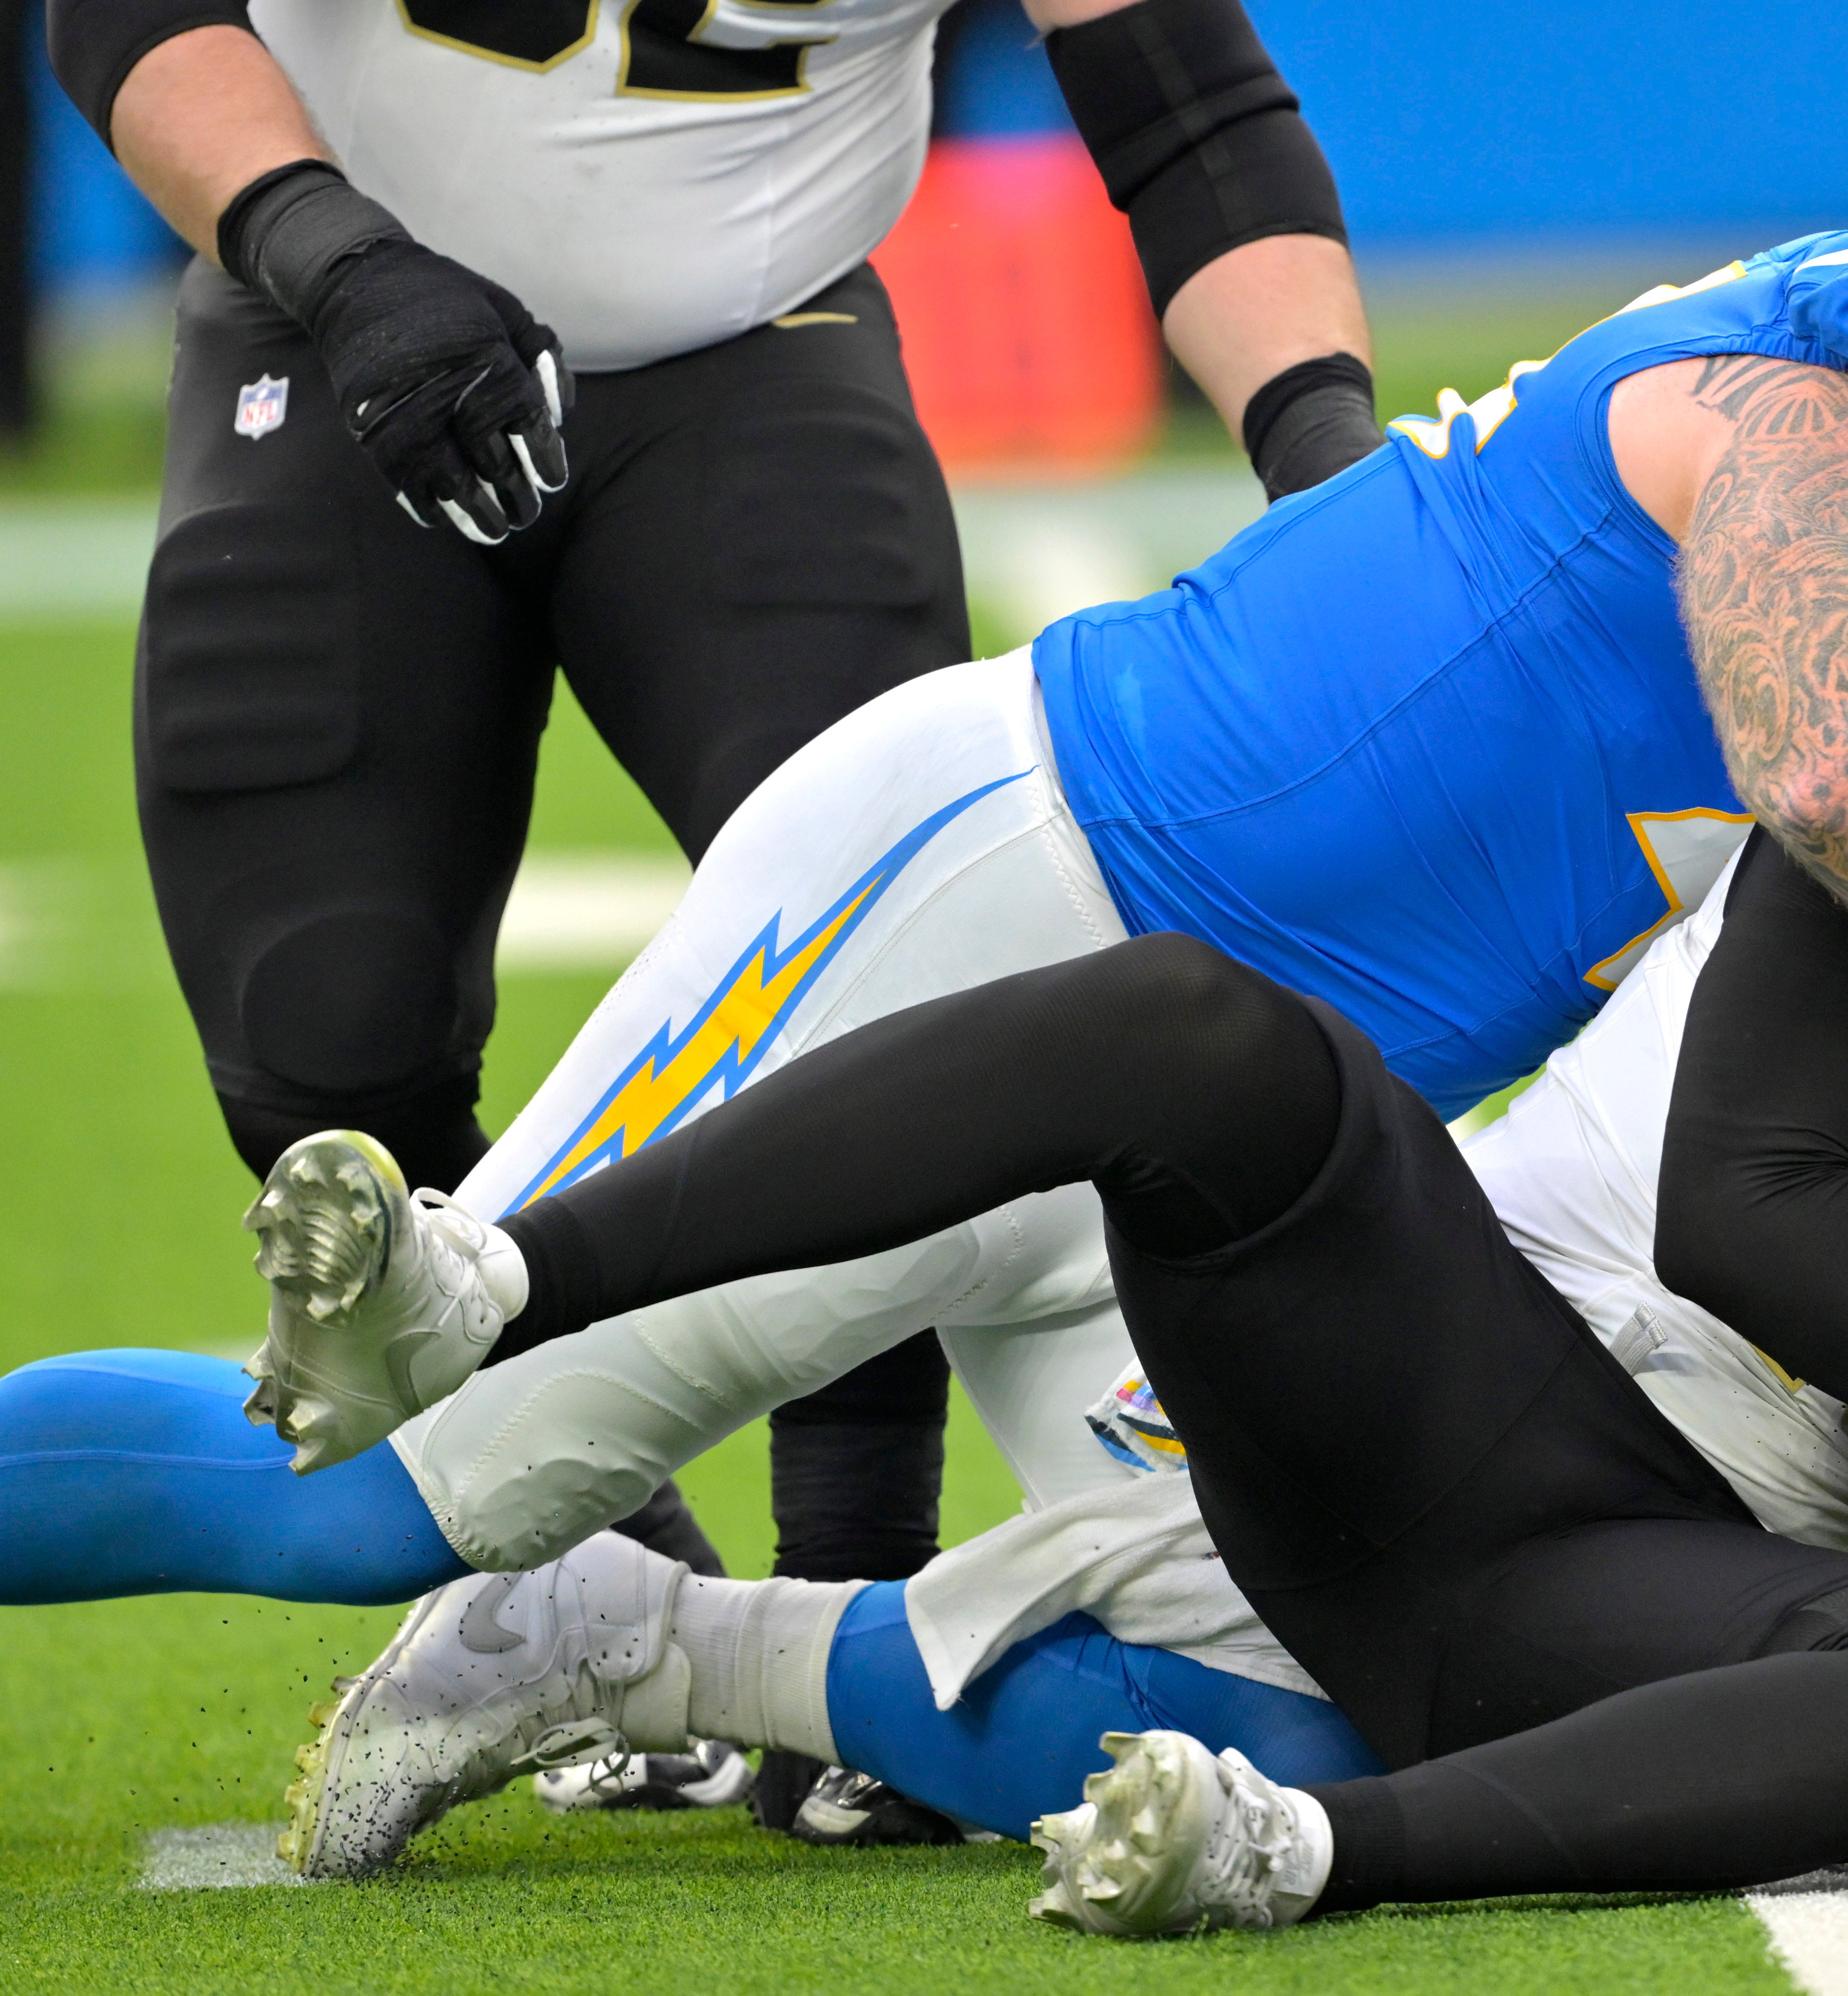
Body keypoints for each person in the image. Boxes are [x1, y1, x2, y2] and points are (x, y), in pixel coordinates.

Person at [0, 426, 1848, 1898]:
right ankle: (498, 1270)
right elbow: (1747, 1202)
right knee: (1199, 1039)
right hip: (1469, 1370)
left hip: (1677, 1599)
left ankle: (1283, 1847)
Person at [44, 0, 1385, 1831]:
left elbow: (1185, 105)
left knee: (895, 967)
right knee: (321, 1027)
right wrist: (337, 253)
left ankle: (854, 1577)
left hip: (755, 345)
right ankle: (595, 1571)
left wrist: (1331, 465)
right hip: (334, 316)